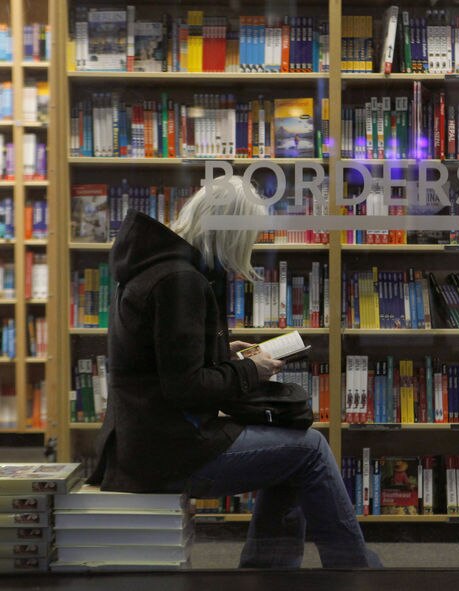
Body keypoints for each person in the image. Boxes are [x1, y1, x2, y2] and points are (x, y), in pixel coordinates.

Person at [87, 176, 380, 569]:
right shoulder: (180, 280)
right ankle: (354, 569)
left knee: (291, 450)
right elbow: (186, 389)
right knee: (310, 450)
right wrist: (249, 371)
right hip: (169, 452)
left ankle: (268, 570)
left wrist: (217, 353)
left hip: (143, 442)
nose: (249, 249)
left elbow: (156, 363)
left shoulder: (152, 266)